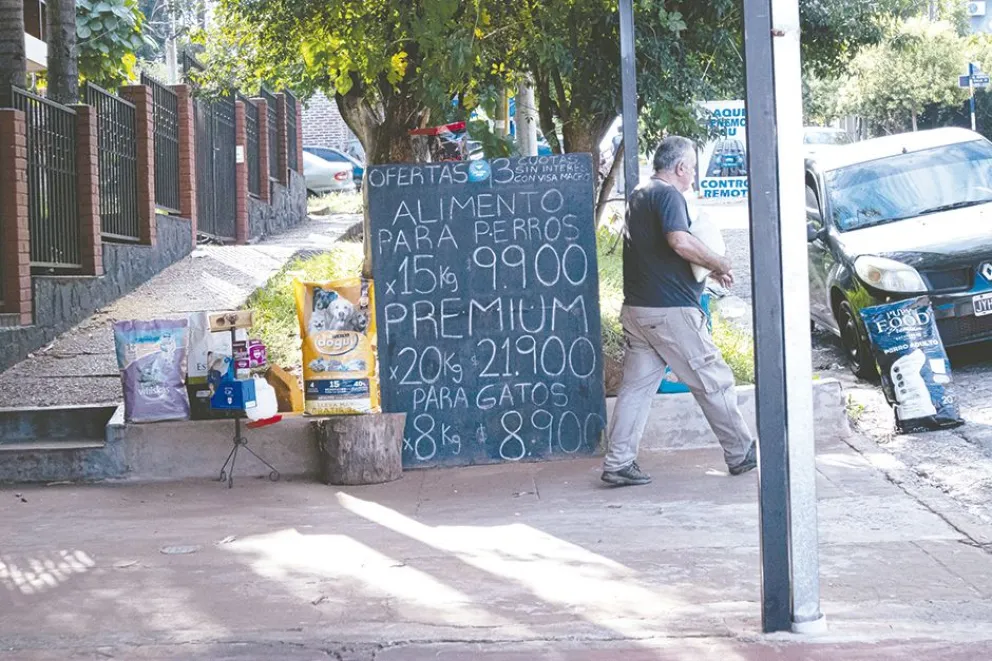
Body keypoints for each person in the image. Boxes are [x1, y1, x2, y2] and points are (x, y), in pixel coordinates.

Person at [602, 136, 757, 487]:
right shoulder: (669, 195)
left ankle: (618, 462)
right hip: (670, 311)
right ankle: (740, 451)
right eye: (692, 169)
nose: (693, 177)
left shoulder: (641, 193)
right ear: (681, 167)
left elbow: (665, 249)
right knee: (713, 379)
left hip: (638, 311)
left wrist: (708, 268)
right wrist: (718, 262)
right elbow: (680, 241)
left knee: (636, 390)